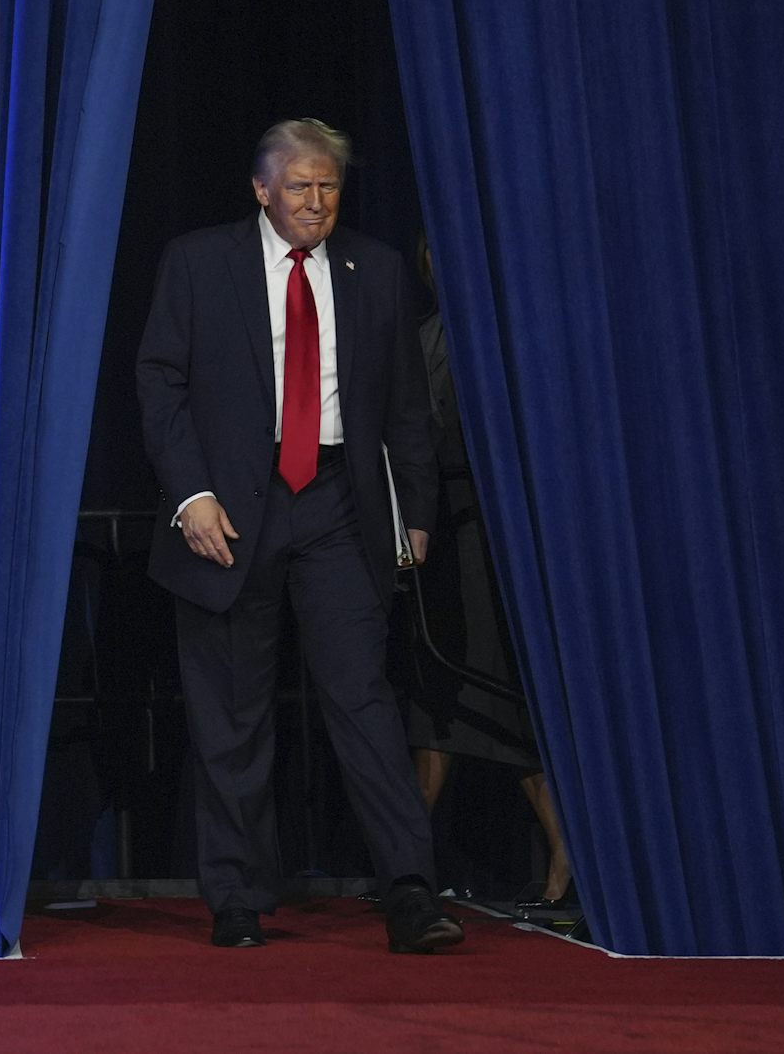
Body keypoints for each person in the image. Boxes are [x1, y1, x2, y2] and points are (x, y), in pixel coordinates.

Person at [136, 119, 461, 953]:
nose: (315, 202)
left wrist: (415, 513)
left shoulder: (375, 269)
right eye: (299, 186)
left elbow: (405, 406)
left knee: (364, 701)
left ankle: (410, 890)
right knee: (232, 713)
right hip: (228, 512)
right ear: (261, 190)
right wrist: (191, 496)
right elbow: (160, 383)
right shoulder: (198, 262)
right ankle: (238, 898)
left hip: (338, 505)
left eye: (328, 186)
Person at [403, 231, 573, 906]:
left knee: (493, 694)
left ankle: (564, 852)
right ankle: (408, 864)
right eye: (431, 258)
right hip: (436, 535)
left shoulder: (508, 340)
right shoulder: (422, 339)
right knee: (436, 696)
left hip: (489, 534)